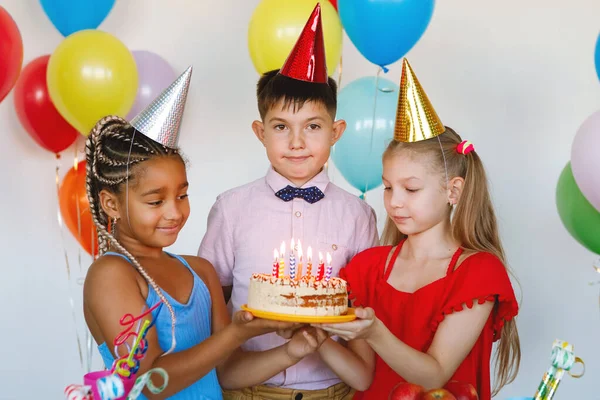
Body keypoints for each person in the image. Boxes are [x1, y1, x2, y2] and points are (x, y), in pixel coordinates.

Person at [83, 67, 326, 400]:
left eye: (182, 195)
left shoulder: (201, 272)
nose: (175, 211)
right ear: (110, 204)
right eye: (156, 200)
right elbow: (148, 381)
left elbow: (226, 373)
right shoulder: (111, 275)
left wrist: (292, 350)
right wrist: (237, 332)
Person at [198, 4, 378, 399]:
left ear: (336, 132)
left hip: (331, 390)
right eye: (281, 127)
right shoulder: (231, 209)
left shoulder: (359, 216)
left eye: (313, 127)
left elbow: (364, 311)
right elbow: (213, 299)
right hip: (249, 389)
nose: (297, 142)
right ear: (260, 132)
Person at [314, 59, 521, 400]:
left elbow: (435, 375)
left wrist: (375, 332)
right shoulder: (367, 268)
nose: (394, 202)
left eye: (410, 189)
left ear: (453, 191)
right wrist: (314, 336)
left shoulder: (478, 273)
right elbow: (363, 380)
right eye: (388, 187)